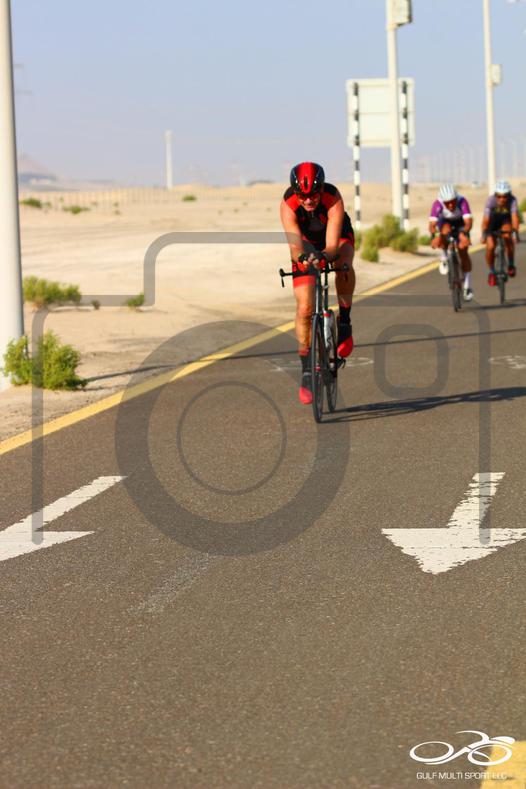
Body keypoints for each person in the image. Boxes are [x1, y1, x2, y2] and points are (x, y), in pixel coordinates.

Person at [280, 162, 356, 405]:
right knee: (304, 308)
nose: (308, 200)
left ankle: (344, 322)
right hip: (305, 243)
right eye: (302, 195)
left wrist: (325, 257)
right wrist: (304, 258)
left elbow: (332, 246)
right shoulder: (288, 204)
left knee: (343, 265)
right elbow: (294, 248)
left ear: (321, 189)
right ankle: (306, 369)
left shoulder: (333, 198)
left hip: (335, 236)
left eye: (313, 194)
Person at [429, 184, 474, 301]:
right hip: (445, 224)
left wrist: (464, 233)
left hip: (460, 225)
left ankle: (467, 285)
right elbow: (432, 225)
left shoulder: (462, 201)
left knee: (463, 251)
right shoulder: (437, 204)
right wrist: (436, 236)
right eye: (447, 203)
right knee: (444, 231)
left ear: (456, 198)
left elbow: (468, 222)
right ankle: (444, 257)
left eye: (452, 201)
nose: (450, 205)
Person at [481, 180, 520, 285]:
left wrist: (515, 232)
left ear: (509, 195)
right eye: (499, 196)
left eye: (505, 196)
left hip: (505, 221)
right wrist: (484, 234)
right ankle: (491, 271)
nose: (502, 199)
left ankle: (510, 264)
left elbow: (515, 218)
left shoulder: (512, 200)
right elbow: (485, 220)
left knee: (508, 236)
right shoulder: (490, 201)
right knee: (490, 246)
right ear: (495, 195)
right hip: (493, 222)